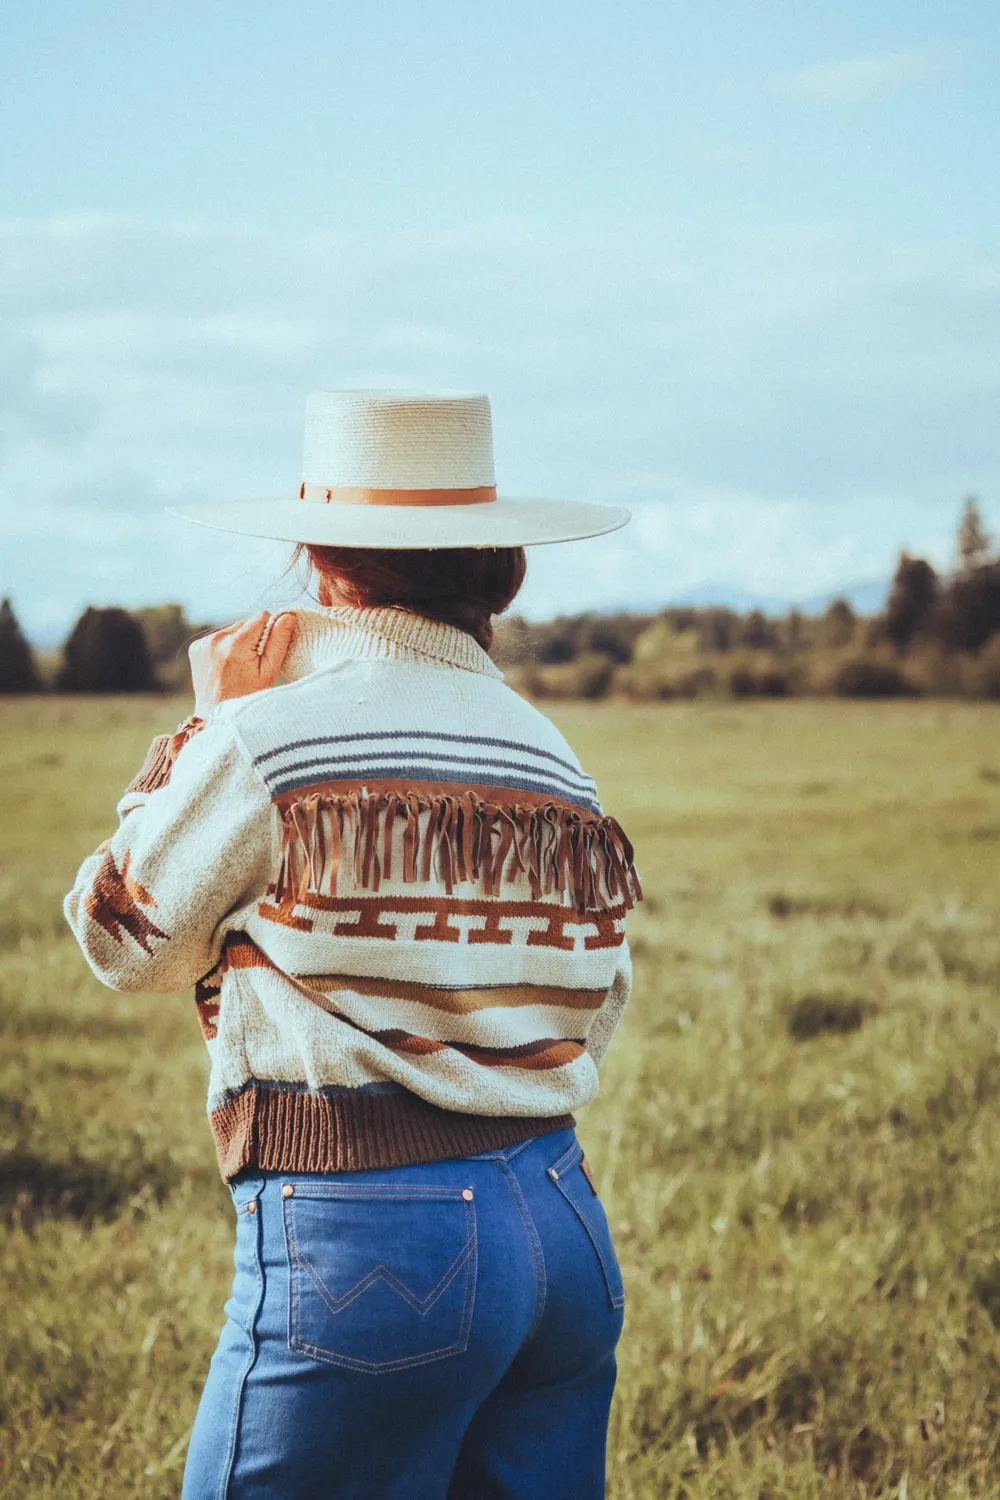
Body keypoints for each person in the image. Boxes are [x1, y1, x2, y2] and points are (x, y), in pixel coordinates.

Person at [64, 390, 641, 1499]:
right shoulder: (556, 760)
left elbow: (123, 940)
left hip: (377, 1239)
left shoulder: (266, 735)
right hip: (561, 1225)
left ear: (320, 563)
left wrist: (195, 734)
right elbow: (597, 997)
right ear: (501, 571)